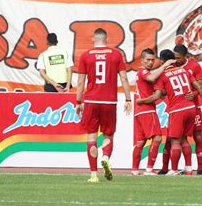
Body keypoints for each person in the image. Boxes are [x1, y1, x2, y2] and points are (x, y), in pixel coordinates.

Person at [75, 28, 132, 183]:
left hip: (91, 101)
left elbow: (80, 82)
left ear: (94, 38)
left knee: (92, 137)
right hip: (109, 101)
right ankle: (106, 156)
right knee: (108, 135)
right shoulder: (116, 54)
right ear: (106, 39)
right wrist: (128, 99)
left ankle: (93, 175)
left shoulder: (86, 55)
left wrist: (78, 102)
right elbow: (124, 78)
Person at [152, 50, 202, 176]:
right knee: (184, 139)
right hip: (191, 108)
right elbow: (199, 87)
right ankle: (189, 169)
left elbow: (159, 94)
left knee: (175, 141)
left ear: (163, 61)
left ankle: (173, 170)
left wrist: (146, 99)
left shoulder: (163, 75)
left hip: (177, 110)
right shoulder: (185, 71)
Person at [132, 48, 176, 176]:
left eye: (153, 60)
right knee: (157, 137)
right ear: (142, 60)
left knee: (140, 142)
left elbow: (158, 91)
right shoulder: (143, 71)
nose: (151, 62)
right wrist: (165, 66)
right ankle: (149, 169)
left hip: (139, 111)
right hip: (147, 110)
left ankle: (135, 170)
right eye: (148, 60)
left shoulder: (144, 72)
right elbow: (151, 78)